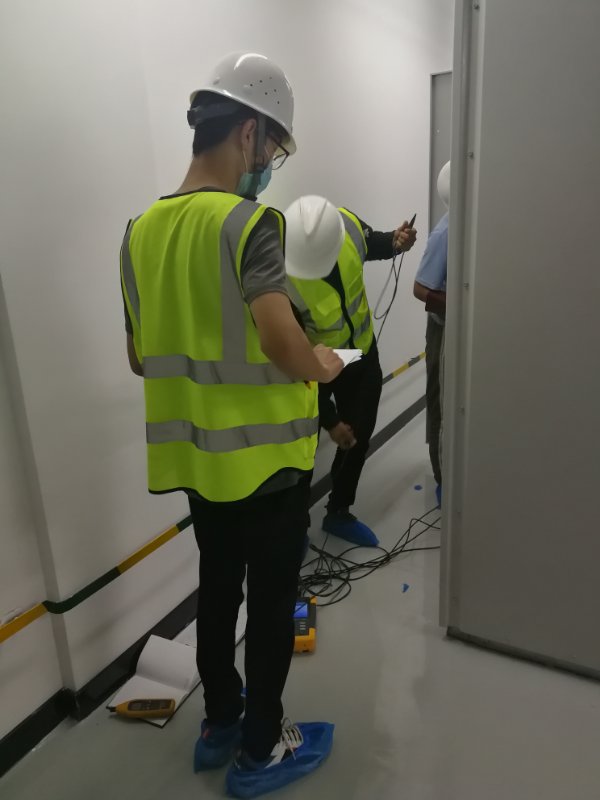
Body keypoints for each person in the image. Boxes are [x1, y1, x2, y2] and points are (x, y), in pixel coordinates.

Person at [120, 53, 343, 799]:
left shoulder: (139, 232)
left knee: (217, 589)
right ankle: (260, 752)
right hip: (269, 464)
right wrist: (322, 365)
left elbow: (140, 357)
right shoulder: (250, 223)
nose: (269, 163)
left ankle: (220, 721)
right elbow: (281, 339)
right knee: (273, 604)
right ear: (248, 132)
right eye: (273, 147)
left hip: (198, 462)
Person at [285, 195, 417, 548]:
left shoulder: (344, 225)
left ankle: (339, 511)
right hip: (314, 366)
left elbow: (375, 244)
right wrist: (330, 421)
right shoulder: (280, 273)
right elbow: (293, 356)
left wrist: (396, 241)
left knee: (357, 434)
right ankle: (295, 531)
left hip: (360, 352)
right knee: (302, 450)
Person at [413, 161, 450, 506]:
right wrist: (459, 303)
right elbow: (420, 289)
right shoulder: (444, 233)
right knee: (440, 399)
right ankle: (442, 478)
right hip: (443, 330)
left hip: (461, 329)